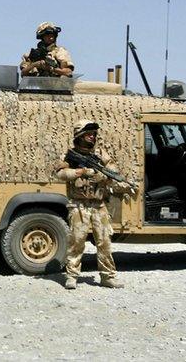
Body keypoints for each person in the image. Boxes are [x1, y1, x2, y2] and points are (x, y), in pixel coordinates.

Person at [56, 120, 135, 289]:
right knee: (77, 241)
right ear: (80, 136)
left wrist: (103, 177)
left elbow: (113, 173)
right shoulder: (70, 155)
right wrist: (81, 172)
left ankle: (107, 277)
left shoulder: (100, 155)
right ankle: (72, 276)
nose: (92, 137)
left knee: (104, 241)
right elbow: (61, 174)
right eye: (88, 134)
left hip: (99, 205)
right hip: (78, 204)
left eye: (94, 134)